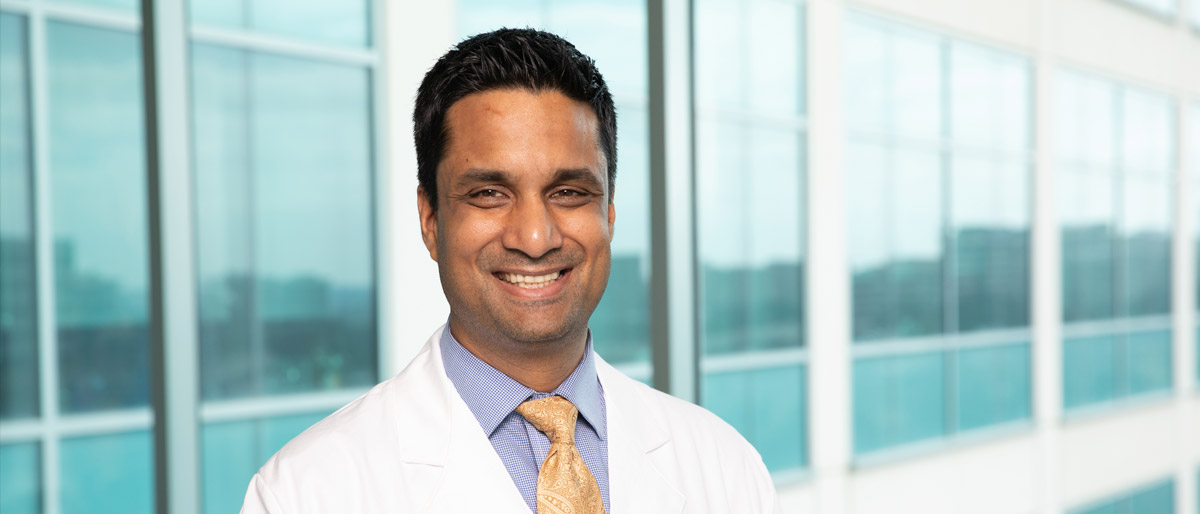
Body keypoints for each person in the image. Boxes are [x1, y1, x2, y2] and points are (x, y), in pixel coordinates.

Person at [241, 28, 777, 514]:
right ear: (430, 219)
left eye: (569, 192)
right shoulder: (306, 492)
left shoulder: (725, 467)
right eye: (489, 194)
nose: (536, 238)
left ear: (609, 214)